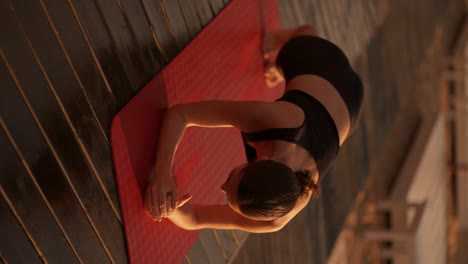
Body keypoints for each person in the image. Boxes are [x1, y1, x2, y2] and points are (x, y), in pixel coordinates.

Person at [145, 25, 364, 233]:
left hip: (348, 114)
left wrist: (169, 209)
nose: (221, 187)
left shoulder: (275, 218)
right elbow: (180, 114)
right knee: (296, 46)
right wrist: (162, 174)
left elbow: (196, 218)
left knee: (284, 72)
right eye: (230, 178)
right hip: (325, 66)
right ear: (259, 159)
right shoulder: (271, 120)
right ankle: (287, 43)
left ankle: (283, 69)